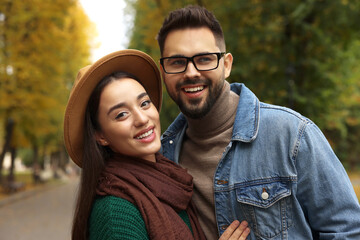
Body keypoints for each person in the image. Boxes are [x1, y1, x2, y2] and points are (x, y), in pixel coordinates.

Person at [157, 5, 360, 240]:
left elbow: (349, 232)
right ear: (163, 71)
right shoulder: (163, 159)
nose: (191, 72)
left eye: (204, 59)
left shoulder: (291, 135)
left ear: (227, 64)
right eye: (177, 62)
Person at [63, 49, 250, 240]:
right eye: (121, 114)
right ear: (100, 135)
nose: (142, 119)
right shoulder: (116, 211)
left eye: (144, 103)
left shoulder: (170, 181)